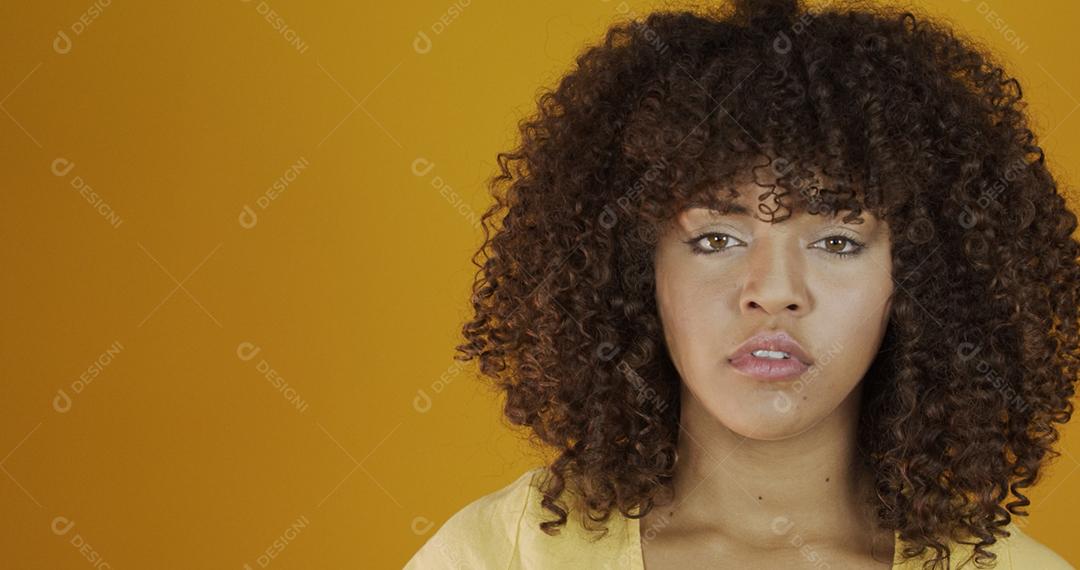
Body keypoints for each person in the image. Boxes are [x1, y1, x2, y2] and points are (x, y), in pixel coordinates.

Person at [406, 0, 1080, 567]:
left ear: (920, 282)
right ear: (638, 270)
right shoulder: (503, 556)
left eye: (837, 241)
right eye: (717, 240)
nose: (774, 291)